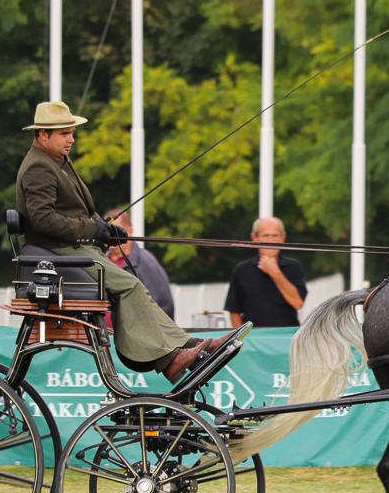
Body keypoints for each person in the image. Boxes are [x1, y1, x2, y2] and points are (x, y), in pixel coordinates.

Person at [15, 101, 230, 382]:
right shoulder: (38, 167)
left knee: (135, 286)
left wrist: (104, 228)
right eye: (64, 133)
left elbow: (77, 210)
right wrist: (93, 229)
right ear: (43, 135)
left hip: (74, 247)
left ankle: (186, 347)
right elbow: (43, 220)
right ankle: (169, 361)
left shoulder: (57, 162)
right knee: (128, 286)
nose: (72, 139)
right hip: (57, 254)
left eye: (71, 132)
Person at [224, 217, 307, 328]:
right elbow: (234, 310)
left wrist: (275, 272)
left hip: (287, 335)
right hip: (255, 336)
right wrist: (242, 339)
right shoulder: (242, 269)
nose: (270, 241)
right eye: (265, 236)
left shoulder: (294, 267)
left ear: (283, 237)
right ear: (254, 238)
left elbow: (297, 303)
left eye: (275, 235)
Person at [104, 210, 175, 319]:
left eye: (114, 231)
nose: (109, 236)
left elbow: (163, 306)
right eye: (105, 232)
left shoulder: (146, 262)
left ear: (129, 231)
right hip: (101, 334)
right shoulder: (99, 262)